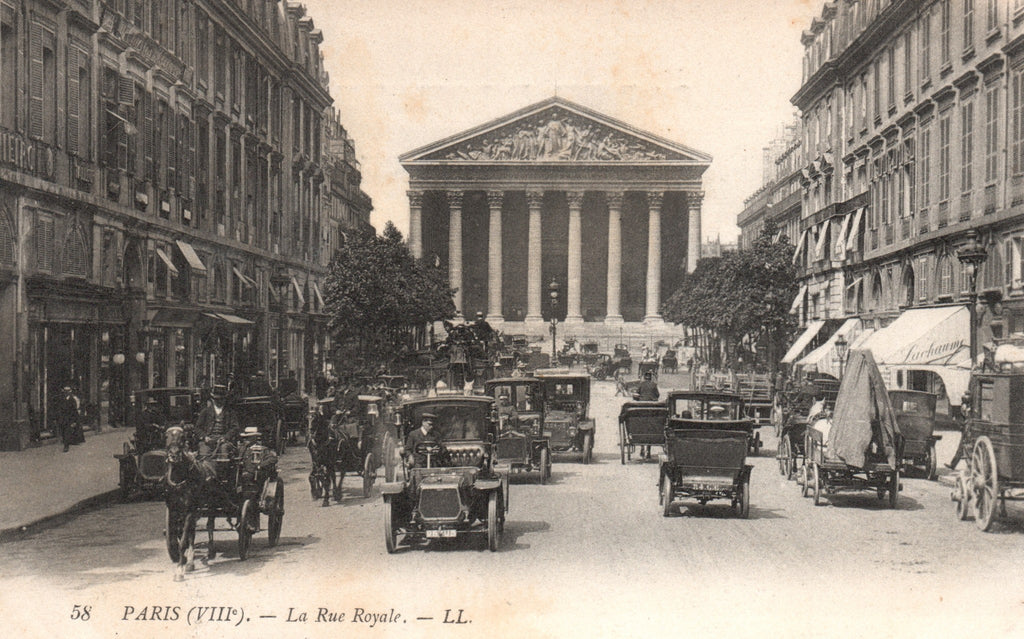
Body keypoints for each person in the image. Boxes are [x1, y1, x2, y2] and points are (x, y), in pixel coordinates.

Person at [193, 384, 242, 483]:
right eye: (216, 399)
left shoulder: (230, 412)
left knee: (224, 451)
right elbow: (197, 428)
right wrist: (204, 437)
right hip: (208, 440)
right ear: (212, 399)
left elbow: (235, 427)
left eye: (221, 399)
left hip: (223, 441)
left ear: (225, 399)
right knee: (203, 453)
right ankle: (205, 477)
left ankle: (223, 478)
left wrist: (225, 437)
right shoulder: (205, 412)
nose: (219, 401)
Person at [635, 371, 660, 459]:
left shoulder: (641, 384)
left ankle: (642, 448)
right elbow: (657, 395)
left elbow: (637, 394)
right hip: (652, 407)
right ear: (650, 378)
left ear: (645, 377)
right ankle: (648, 451)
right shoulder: (654, 385)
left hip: (642, 406)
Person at [53, 383, 82, 453]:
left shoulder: (72, 400)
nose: (66, 393)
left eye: (68, 391)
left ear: (70, 391)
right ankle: (65, 442)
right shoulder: (61, 399)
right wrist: (56, 418)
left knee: (67, 432)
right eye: (65, 391)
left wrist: (75, 421)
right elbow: (57, 409)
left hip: (69, 419)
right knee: (63, 431)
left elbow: (74, 411)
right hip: (62, 418)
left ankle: (66, 446)